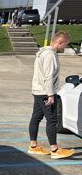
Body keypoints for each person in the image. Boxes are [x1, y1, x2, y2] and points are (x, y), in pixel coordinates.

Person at [28, 31, 74, 159]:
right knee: (52, 120)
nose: (65, 47)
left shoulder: (43, 52)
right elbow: (48, 77)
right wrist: (50, 95)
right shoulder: (50, 55)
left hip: (38, 91)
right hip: (45, 92)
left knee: (36, 118)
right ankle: (54, 149)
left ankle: (33, 146)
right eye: (65, 44)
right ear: (59, 42)